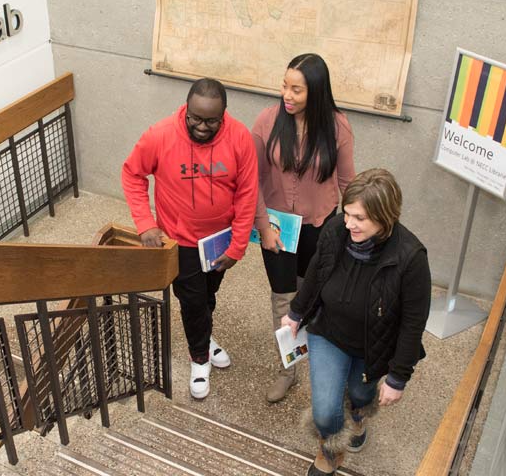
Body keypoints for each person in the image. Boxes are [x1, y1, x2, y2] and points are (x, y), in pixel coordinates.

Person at [280, 169, 430, 475]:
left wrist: (398, 377)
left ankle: (359, 415)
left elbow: (413, 323)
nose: (349, 224)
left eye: (359, 218)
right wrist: (296, 313)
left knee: (360, 394)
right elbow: (315, 273)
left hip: (373, 344)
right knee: (325, 412)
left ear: (384, 216)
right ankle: (330, 452)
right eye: (347, 214)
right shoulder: (336, 230)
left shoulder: (411, 257)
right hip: (328, 333)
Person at [121, 78, 259, 400]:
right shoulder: (160, 135)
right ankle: (199, 358)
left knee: (208, 295)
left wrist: (238, 244)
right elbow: (132, 174)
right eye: (195, 118)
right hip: (180, 239)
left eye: (211, 121)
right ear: (186, 108)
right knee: (193, 301)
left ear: (224, 115)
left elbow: (248, 192)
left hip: (219, 240)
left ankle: (204, 335)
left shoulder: (239, 137)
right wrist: (145, 224)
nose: (200, 126)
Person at [252, 53, 356, 403]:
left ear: (317, 91)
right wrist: (264, 227)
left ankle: (324, 366)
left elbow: (347, 180)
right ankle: (288, 371)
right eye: (285, 86)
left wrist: (360, 225)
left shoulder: (338, 126)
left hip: (320, 227)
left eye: (297, 89)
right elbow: (252, 180)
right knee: (284, 300)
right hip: (278, 230)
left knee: (314, 298)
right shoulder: (267, 121)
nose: (287, 95)